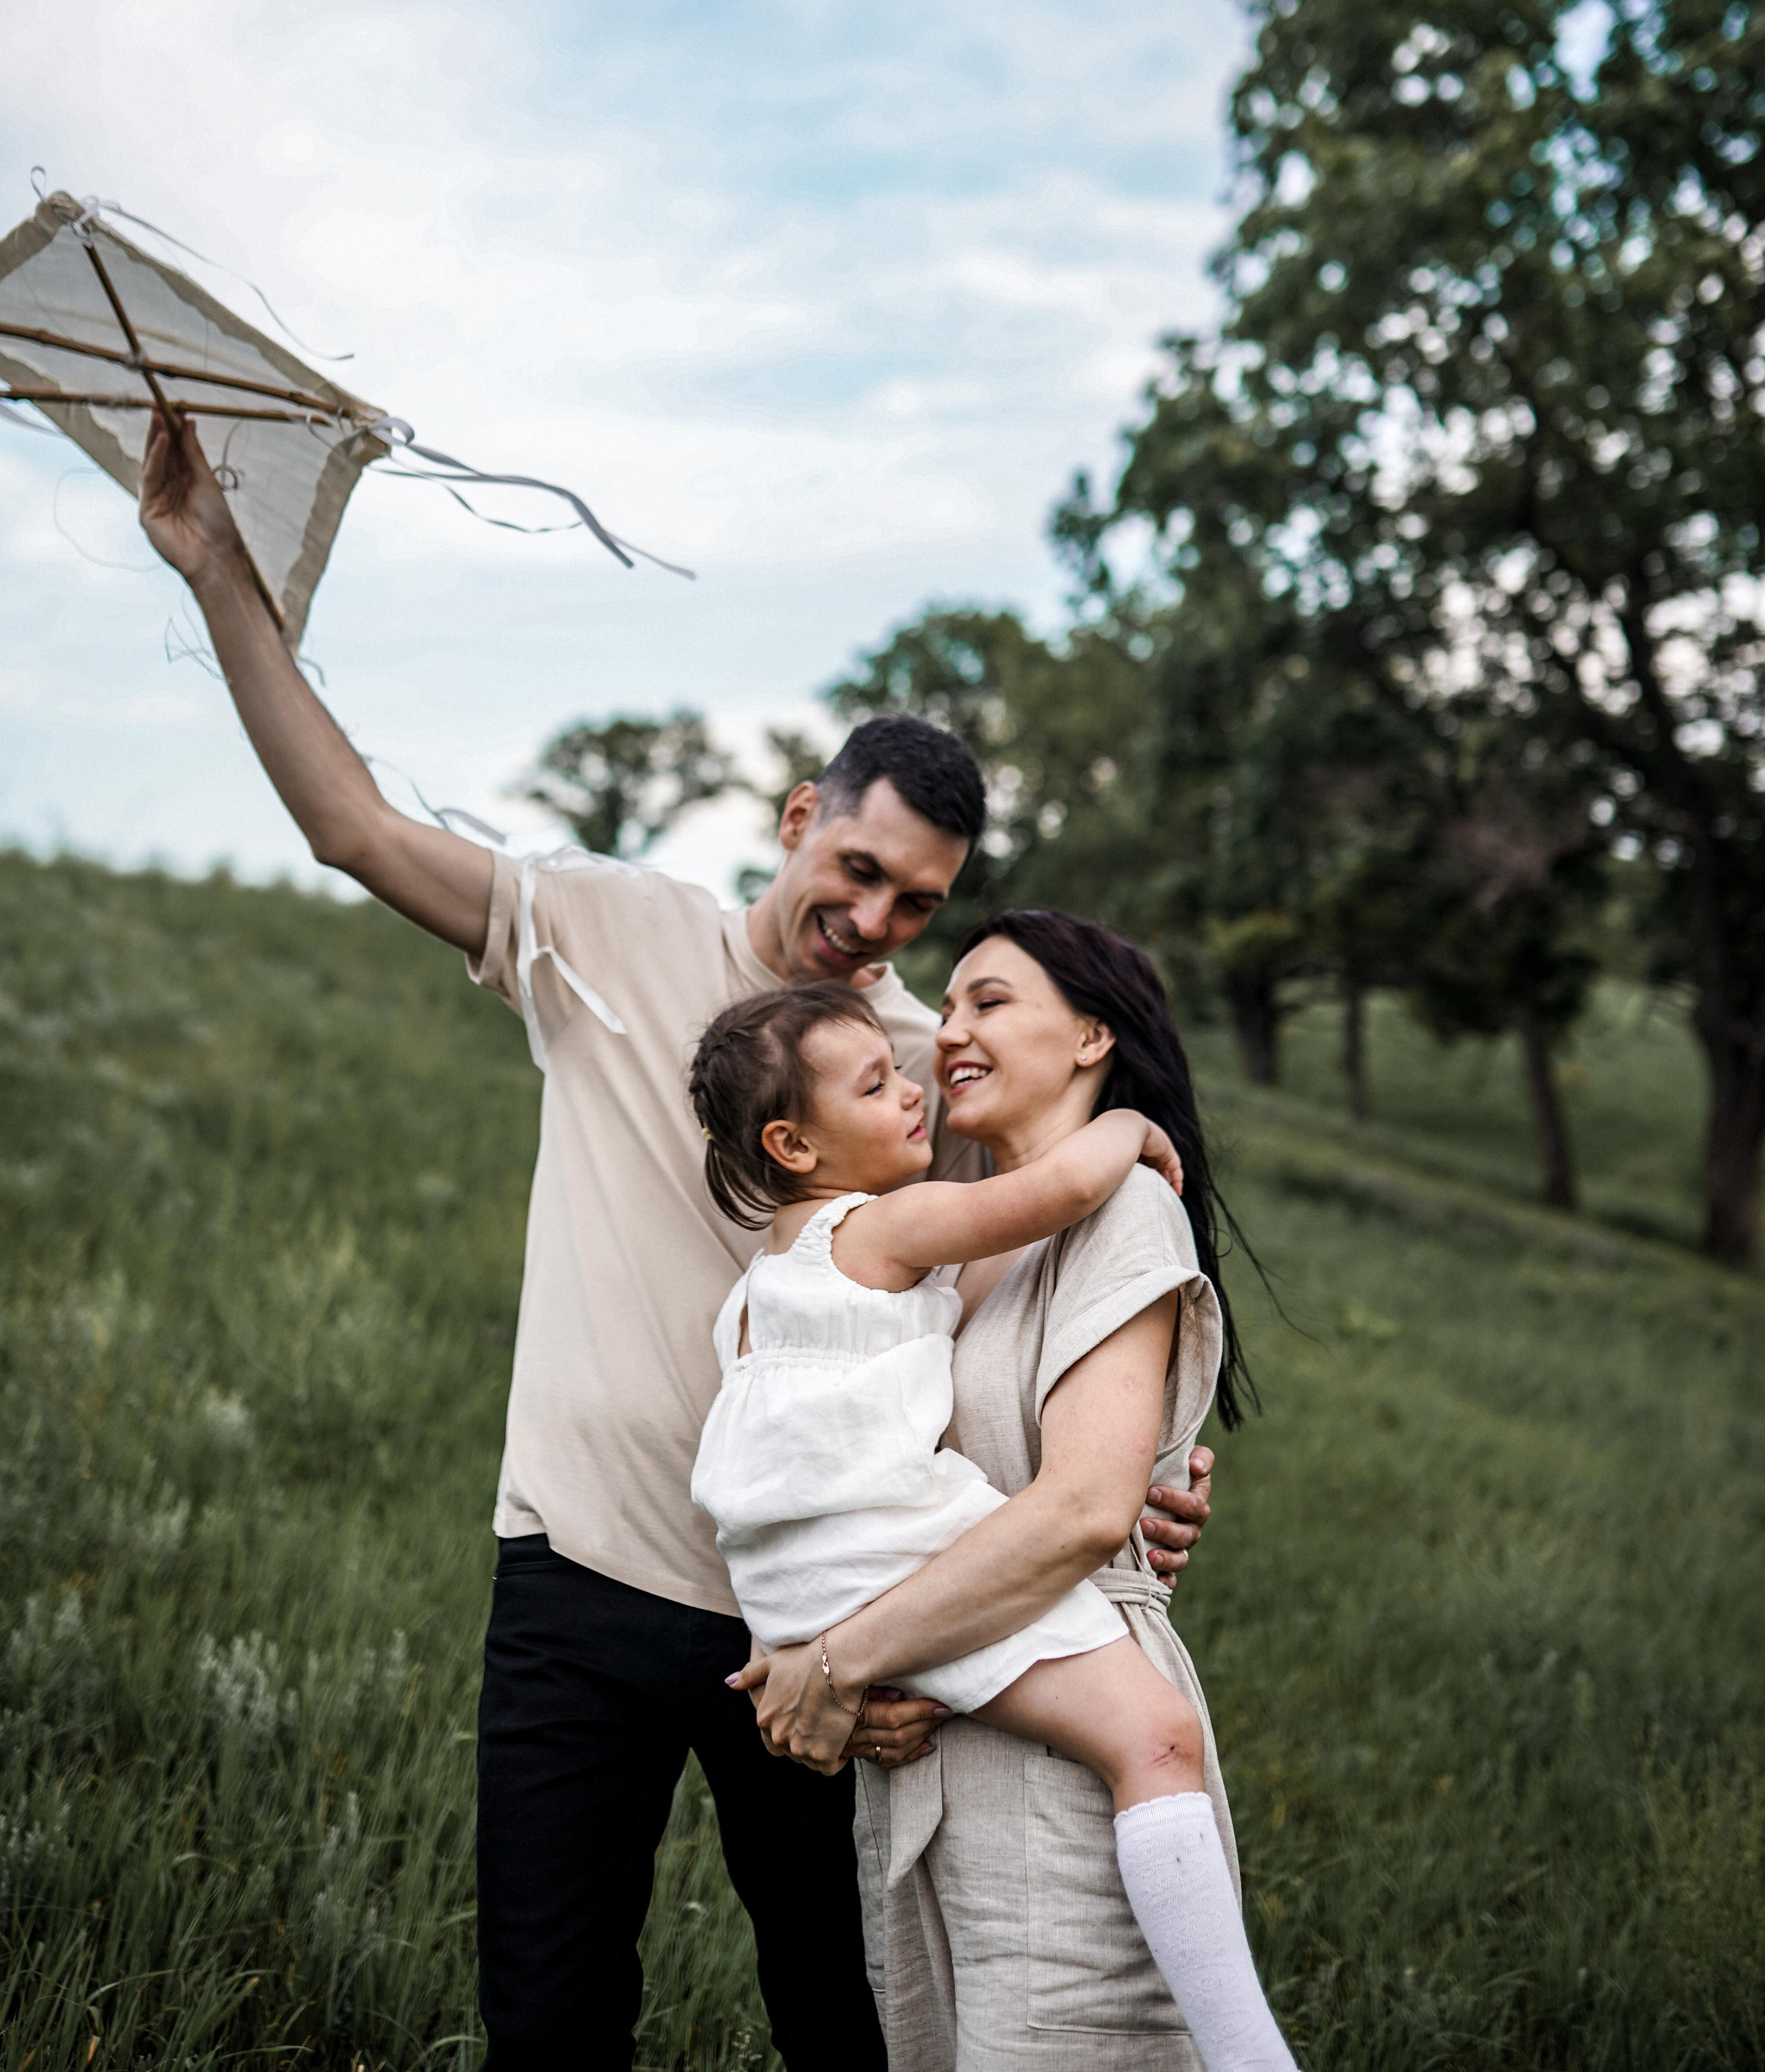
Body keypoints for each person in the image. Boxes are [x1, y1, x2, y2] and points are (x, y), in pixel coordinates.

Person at [132, 409, 1219, 2071]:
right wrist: (223, 577)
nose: (870, 926)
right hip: (571, 1583)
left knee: (845, 2025)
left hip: (829, 1624)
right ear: (799, 814)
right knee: (553, 2025)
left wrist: (1140, 1474)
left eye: (916, 905)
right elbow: (351, 828)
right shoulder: (609, 931)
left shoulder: (930, 1061)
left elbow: (1061, 1278)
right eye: (856, 870)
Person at [687, 982, 1295, 2069]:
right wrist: (1130, 1125)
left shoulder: (755, 1294)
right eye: (876, 1084)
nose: (918, 1078)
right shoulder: (887, 1227)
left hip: (797, 1587)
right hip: (891, 1558)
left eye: (990, 1000)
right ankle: (1254, 2058)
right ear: (793, 1142)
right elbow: (1064, 1188)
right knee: (1155, 1738)